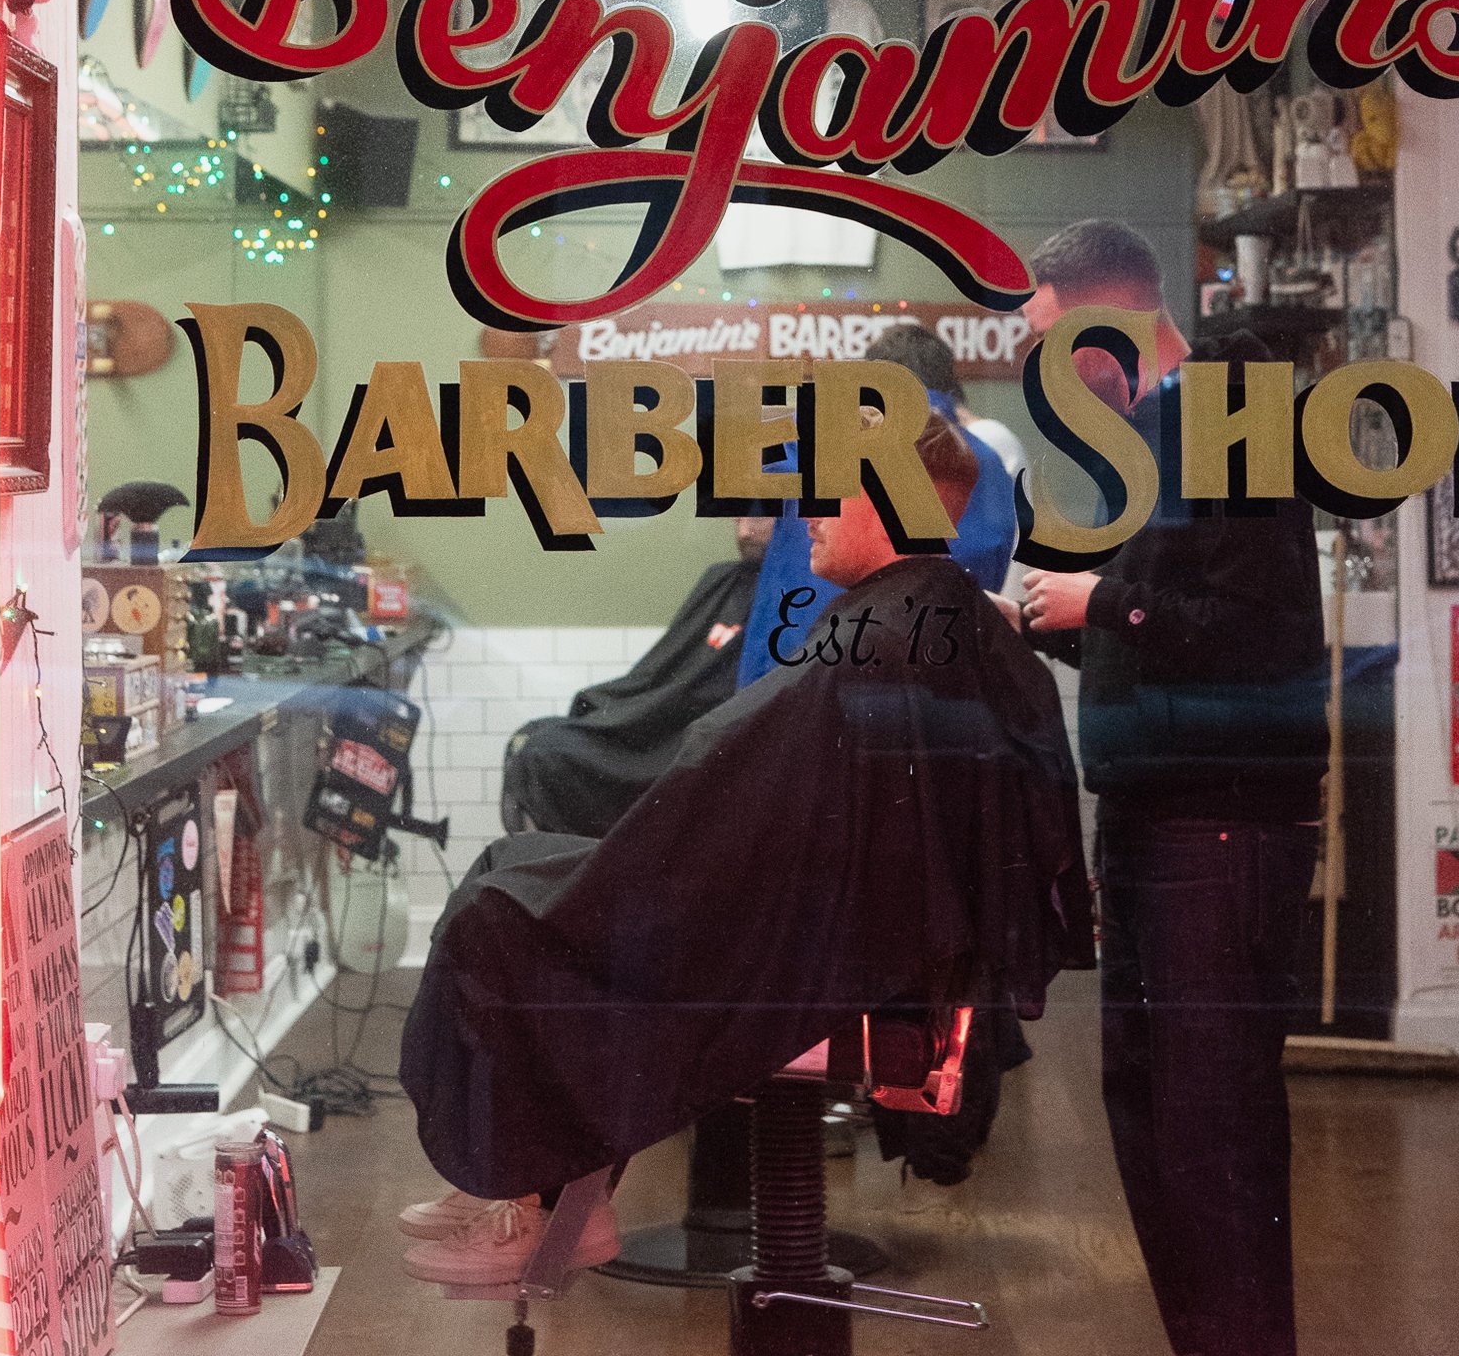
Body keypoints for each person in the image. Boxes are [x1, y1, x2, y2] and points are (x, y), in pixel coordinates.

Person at [397, 411, 1092, 1287]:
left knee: (506, 911)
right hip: (860, 942)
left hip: (819, 955)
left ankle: (527, 1199)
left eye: (824, 497)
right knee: (516, 877)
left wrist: (645, 853)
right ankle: (540, 1193)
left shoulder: (878, 639)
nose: (805, 516)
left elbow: (731, 795)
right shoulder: (945, 623)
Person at [1014, 220, 1328, 1356]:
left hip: (1223, 825)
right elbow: (1163, 635)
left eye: (1049, 340)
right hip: (1153, 815)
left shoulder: (1231, 429)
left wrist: (1108, 608)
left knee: (1213, 1117)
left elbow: (1260, 639)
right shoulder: (1137, 448)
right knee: (1148, 1109)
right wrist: (1050, 620)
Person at [736, 321, 1016, 695]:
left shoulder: (819, 438)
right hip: (938, 683)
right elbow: (988, 572)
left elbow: (749, 510)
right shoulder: (986, 462)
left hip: (805, 671)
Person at [499, 514, 773, 838]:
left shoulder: (788, 599)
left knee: (542, 754)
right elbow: (660, 672)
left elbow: (702, 694)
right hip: (657, 726)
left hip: (691, 748)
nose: (743, 531)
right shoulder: (721, 580)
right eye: (738, 517)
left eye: (758, 516)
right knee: (529, 738)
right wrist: (606, 707)